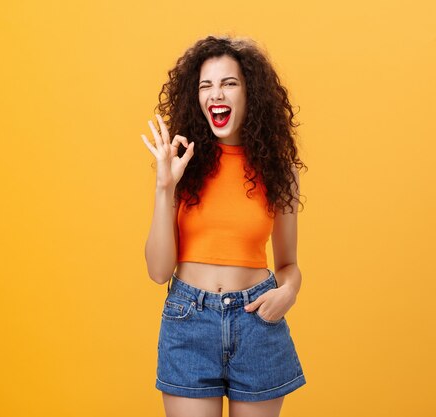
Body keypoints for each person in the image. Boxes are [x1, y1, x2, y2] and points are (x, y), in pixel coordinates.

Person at [141, 35, 307, 417]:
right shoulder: (182, 165)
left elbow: (288, 265)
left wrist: (290, 293)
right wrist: (165, 185)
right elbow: (157, 271)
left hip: (257, 323)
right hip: (189, 322)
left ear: (251, 93)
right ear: (196, 98)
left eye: (229, 83)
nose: (217, 93)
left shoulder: (280, 172)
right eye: (206, 85)